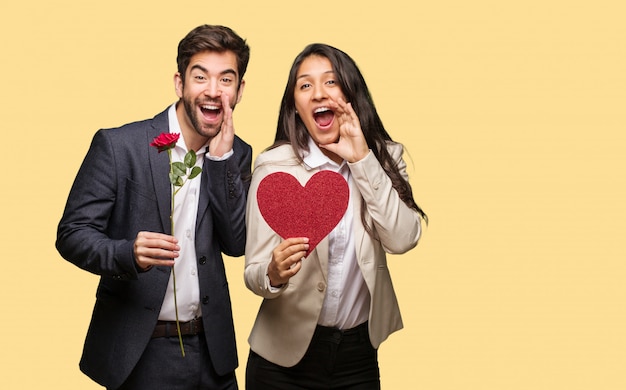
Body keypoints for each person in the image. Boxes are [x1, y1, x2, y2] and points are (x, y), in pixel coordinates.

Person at [56, 24, 252, 390]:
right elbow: (71, 234)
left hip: (214, 354)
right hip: (140, 352)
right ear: (180, 83)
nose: (213, 91)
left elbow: (236, 243)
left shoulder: (238, 154)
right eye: (201, 77)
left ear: (239, 90)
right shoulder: (119, 146)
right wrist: (127, 252)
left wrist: (222, 161)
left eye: (226, 80)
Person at [243, 43, 428, 389]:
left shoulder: (385, 158)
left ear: (350, 93)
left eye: (330, 82)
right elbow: (253, 273)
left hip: (357, 357)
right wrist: (274, 273)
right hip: (281, 360)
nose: (317, 94)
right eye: (305, 85)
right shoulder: (273, 168)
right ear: (296, 108)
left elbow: (403, 239)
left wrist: (362, 160)